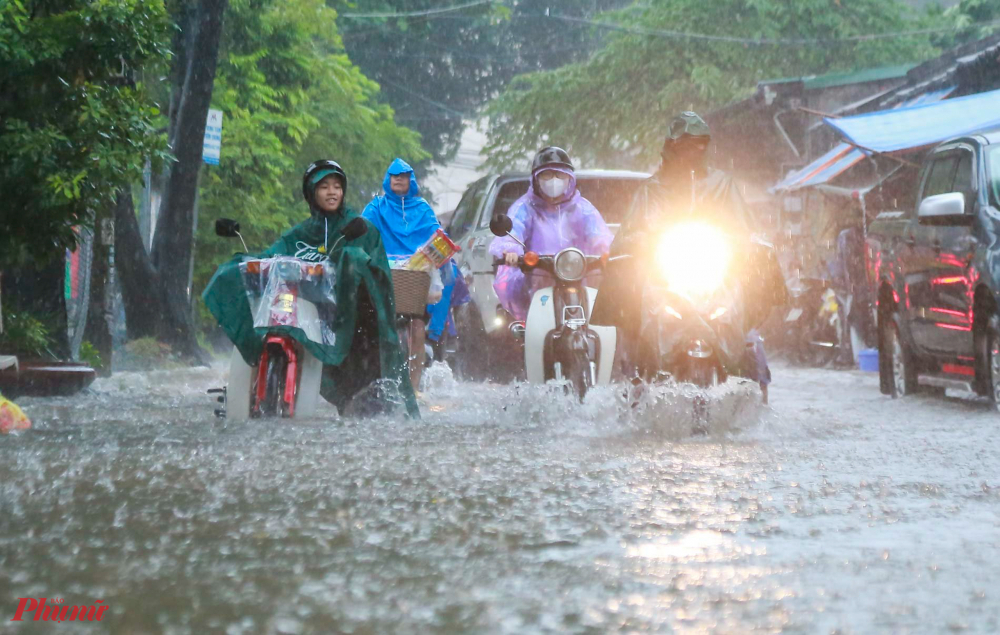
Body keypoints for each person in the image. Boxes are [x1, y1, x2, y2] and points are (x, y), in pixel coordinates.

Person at [590, 112, 786, 399]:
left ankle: (759, 392)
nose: (693, 151)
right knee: (639, 326)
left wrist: (750, 244)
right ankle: (636, 384)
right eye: (686, 144)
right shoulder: (652, 189)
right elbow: (632, 232)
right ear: (671, 147)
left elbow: (744, 227)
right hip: (663, 276)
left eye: (700, 144)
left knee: (746, 330)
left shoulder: (723, 184)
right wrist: (642, 242)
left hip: (717, 272)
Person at [203, 160, 419, 418]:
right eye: (324, 186)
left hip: (349, 320)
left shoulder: (358, 228)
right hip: (303, 312)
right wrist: (248, 262)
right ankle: (242, 395)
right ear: (311, 193)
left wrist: (351, 264)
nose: (332, 192)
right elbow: (272, 257)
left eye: (337, 186)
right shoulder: (299, 234)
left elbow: (374, 271)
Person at [363, 158, 457, 393]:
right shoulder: (376, 207)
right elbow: (362, 230)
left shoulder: (422, 208)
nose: (398, 180)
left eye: (403, 176)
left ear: (411, 181)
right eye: (395, 176)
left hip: (417, 275)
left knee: (417, 324)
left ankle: (413, 387)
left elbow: (436, 233)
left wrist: (445, 246)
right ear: (388, 180)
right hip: (384, 274)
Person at [488, 146, 614, 323]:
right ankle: (524, 334)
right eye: (547, 175)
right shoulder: (524, 207)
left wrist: (608, 252)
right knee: (513, 303)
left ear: (569, 178)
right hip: (535, 278)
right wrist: (510, 251)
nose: (553, 181)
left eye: (559, 175)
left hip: (579, 276)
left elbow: (599, 234)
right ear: (536, 179)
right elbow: (513, 230)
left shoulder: (583, 208)